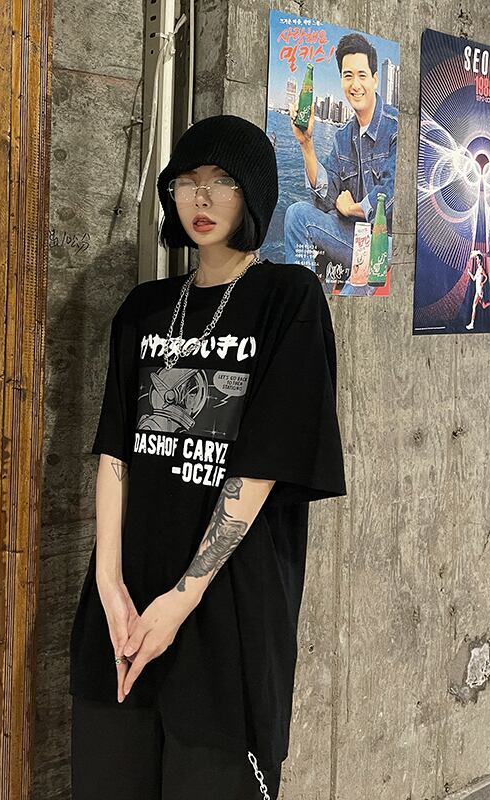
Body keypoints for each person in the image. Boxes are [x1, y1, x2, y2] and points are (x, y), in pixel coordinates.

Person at [69, 114, 347, 800]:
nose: (201, 197)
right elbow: (115, 452)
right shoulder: (143, 310)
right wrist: (109, 583)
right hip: (126, 604)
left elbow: (261, 466)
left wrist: (180, 601)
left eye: (222, 181)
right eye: (187, 181)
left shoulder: (287, 300)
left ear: (252, 194)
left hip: (226, 609)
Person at [281, 32, 398, 294]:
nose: (355, 85)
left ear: (375, 79)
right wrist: (306, 143)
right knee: (297, 214)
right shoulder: (343, 136)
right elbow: (325, 196)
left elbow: (391, 195)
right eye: (348, 76)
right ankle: (303, 303)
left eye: (362, 75)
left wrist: (352, 208)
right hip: (351, 235)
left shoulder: (395, 126)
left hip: (383, 241)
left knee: (357, 279)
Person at [464, 249, 490, 330]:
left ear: (480, 260)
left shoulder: (481, 268)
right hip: (479, 290)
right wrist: (469, 272)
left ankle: (472, 324)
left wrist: (482, 283)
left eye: (477, 259)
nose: (476, 260)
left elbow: (486, 277)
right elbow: (474, 279)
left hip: (479, 291)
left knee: (474, 306)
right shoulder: (478, 269)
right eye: (476, 259)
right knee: (483, 306)